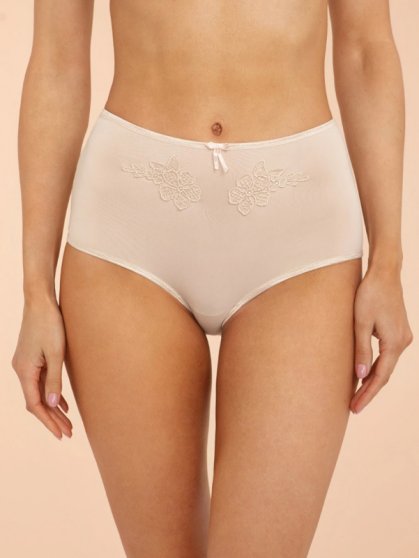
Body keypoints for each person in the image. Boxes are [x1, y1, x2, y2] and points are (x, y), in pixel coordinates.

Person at [11, 1, 413, 557]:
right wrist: (35, 289)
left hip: (299, 233)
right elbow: (57, 59)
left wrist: (388, 261)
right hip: (129, 228)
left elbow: (367, 48)